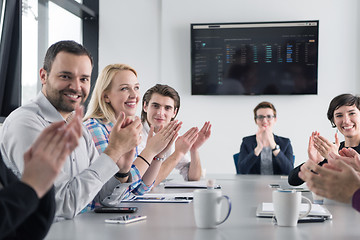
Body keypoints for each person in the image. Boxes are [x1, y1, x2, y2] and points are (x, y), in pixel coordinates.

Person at [0, 40, 142, 219]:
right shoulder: (25, 123)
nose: (76, 87)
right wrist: (113, 152)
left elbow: (101, 199)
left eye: (84, 79)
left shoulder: (78, 128)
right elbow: (61, 205)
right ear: (43, 76)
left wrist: (122, 169)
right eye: (66, 76)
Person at [83, 64, 180, 205]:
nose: (134, 95)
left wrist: (158, 155)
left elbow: (139, 189)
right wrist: (150, 151)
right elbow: (111, 194)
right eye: (124, 88)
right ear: (106, 96)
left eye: (136, 88)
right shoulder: (94, 128)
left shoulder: (127, 129)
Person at [0, 111, 81, 239]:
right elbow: (65, 205)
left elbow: (27, 230)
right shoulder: (23, 121)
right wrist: (31, 186)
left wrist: (45, 180)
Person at [140, 84, 211, 186]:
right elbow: (144, 184)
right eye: (155, 106)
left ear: (174, 112)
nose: (160, 113)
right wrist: (178, 153)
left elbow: (193, 177)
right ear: (145, 106)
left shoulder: (171, 136)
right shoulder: (135, 134)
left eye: (167, 108)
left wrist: (193, 149)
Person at [288, 93, 360, 186]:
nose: (346, 120)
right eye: (339, 115)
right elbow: (293, 180)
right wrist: (312, 162)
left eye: (352, 113)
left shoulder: (333, 153)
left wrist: (337, 159)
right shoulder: (332, 149)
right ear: (333, 121)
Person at [237, 101, 294, 175]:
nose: (264, 120)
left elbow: (289, 171)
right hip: (253, 185)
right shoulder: (247, 142)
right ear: (256, 120)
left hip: (278, 185)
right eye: (260, 117)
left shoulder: (285, 142)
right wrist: (258, 148)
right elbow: (242, 171)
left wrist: (274, 146)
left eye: (269, 116)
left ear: (275, 119)